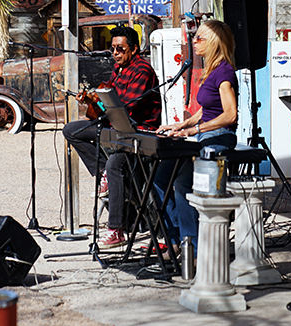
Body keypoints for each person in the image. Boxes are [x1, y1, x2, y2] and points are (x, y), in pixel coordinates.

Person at [62, 25, 161, 249]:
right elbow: (108, 104)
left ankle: (116, 230)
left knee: (116, 162)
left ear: (134, 49)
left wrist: (100, 100)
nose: (115, 53)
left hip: (138, 131)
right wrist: (90, 100)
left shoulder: (142, 70)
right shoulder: (119, 69)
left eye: (120, 49)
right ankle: (102, 172)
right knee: (71, 130)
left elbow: (127, 106)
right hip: (115, 127)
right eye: (112, 49)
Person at [155, 19, 238, 255]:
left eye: (199, 38)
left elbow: (230, 115)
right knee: (161, 179)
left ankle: (194, 247)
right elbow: (206, 109)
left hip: (219, 137)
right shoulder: (211, 71)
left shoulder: (225, 72)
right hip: (204, 134)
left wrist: (195, 130)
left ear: (213, 42)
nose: (194, 41)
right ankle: (176, 238)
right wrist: (181, 124)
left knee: (182, 183)